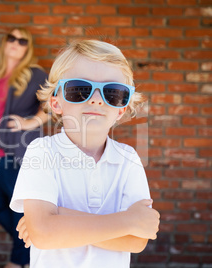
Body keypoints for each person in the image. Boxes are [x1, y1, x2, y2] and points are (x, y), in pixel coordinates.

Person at [10, 39, 160, 268]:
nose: (97, 99)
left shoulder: (128, 159)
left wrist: (58, 217)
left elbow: (137, 239)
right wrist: (128, 221)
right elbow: (44, 234)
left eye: (112, 92)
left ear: (122, 109)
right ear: (56, 103)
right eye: (79, 89)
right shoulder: (42, 152)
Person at [0, 28, 49, 268]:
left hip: (13, 152)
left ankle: (17, 261)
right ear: (4, 43)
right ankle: (33, 247)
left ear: (28, 48)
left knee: (21, 211)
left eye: (23, 41)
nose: (16, 43)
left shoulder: (34, 74)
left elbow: (51, 101)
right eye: (12, 38)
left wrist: (31, 122)